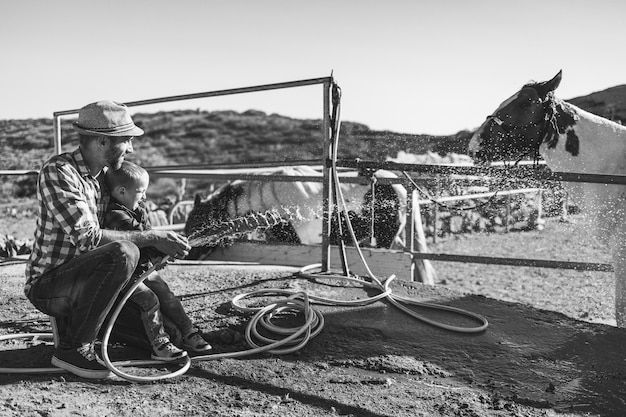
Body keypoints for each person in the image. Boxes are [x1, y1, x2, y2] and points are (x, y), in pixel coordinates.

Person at [25, 100, 191, 379]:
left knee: (167, 333)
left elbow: (125, 222)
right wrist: (153, 237)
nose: (130, 148)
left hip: (94, 283)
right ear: (103, 141)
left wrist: (155, 249)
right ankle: (72, 349)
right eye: (126, 140)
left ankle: (89, 329)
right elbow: (88, 239)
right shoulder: (59, 172)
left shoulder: (106, 178)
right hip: (50, 285)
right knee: (123, 253)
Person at [103, 161, 212, 359]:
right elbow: (143, 238)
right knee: (149, 299)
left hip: (142, 268)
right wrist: (161, 250)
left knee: (166, 295)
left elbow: (148, 238)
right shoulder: (116, 217)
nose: (144, 196)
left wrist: (160, 255)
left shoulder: (138, 209)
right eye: (141, 191)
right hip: (125, 273)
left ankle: (189, 331)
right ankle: (159, 343)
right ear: (121, 192)